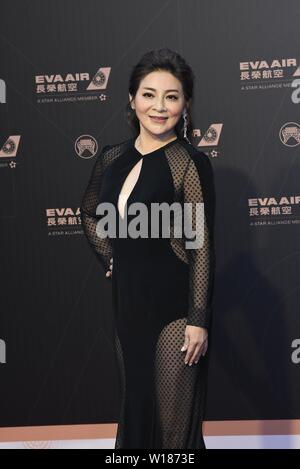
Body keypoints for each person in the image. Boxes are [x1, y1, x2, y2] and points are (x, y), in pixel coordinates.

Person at [80, 47, 216, 449]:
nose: (159, 106)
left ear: (184, 104)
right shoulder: (110, 158)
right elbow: (89, 213)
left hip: (174, 311)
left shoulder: (188, 162)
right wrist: (111, 257)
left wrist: (198, 317)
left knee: (174, 431)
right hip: (128, 308)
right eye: (149, 94)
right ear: (132, 98)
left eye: (171, 96)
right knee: (136, 411)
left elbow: (201, 244)